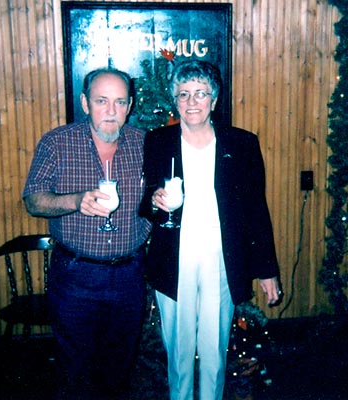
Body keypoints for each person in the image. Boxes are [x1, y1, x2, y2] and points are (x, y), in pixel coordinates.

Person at [139, 60, 282, 400]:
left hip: (222, 258)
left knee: (215, 350)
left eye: (201, 93)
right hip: (175, 259)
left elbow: (256, 211)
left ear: (214, 100)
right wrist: (156, 200)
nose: (192, 102)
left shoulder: (242, 144)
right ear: (175, 100)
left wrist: (267, 271)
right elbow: (144, 203)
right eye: (184, 94)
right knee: (179, 349)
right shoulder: (158, 141)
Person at [22, 68, 151, 400]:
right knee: (75, 372)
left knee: (119, 370)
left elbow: (155, 200)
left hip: (129, 275)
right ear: (84, 102)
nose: (111, 111)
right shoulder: (57, 142)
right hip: (77, 275)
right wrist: (76, 201)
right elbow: (33, 200)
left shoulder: (144, 144)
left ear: (130, 105)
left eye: (120, 102)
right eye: (101, 101)